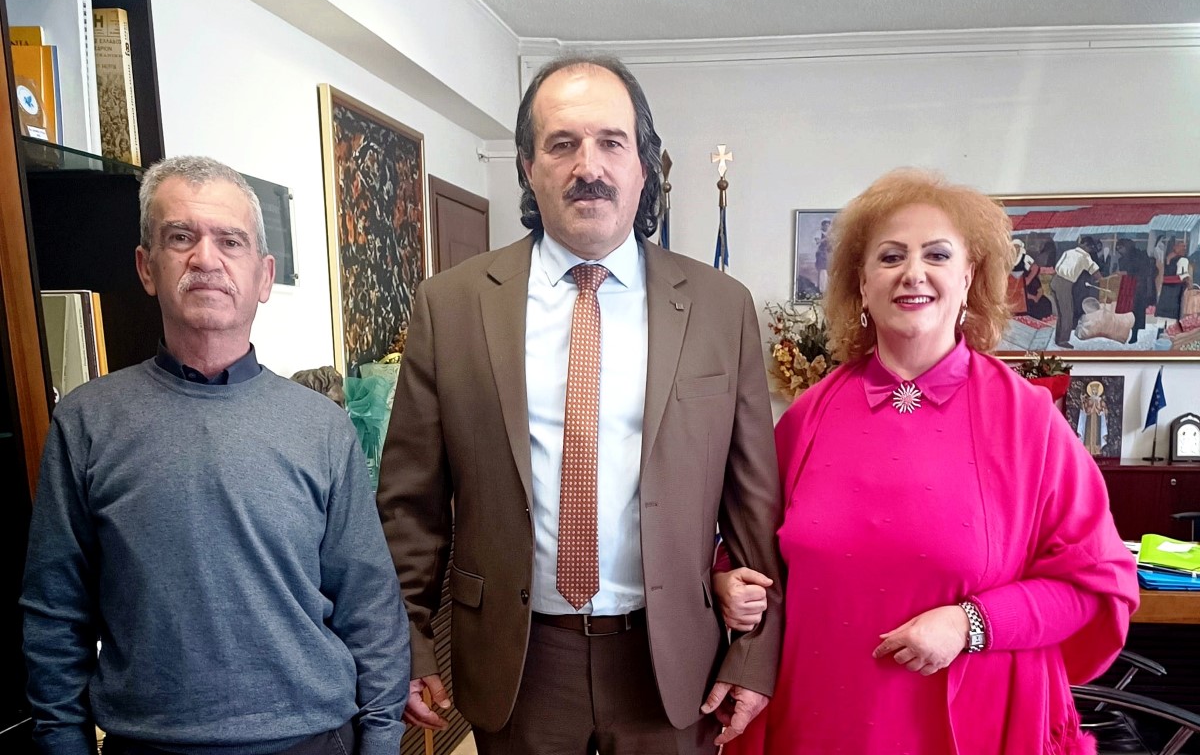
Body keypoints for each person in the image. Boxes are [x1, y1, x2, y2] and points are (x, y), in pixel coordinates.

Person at [376, 55, 784, 755]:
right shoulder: (451, 305)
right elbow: (410, 504)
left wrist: (753, 652)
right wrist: (407, 641)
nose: (587, 166)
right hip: (519, 660)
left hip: (670, 658)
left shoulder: (720, 308)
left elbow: (753, 502)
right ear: (528, 168)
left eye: (611, 142)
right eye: (561, 143)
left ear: (643, 166)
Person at [721, 169, 1138, 754]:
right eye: (890, 256)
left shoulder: (1029, 421)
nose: (913, 272)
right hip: (815, 720)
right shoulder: (807, 417)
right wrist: (727, 581)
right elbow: (749, 549)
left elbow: (1095, 588)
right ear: (861, 283)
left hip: (975, 725)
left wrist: (972, 623)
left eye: (937, 255)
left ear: (968, 278)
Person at [21, 156, 411, 755]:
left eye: (230, 241)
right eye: (181, 237)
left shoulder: (322, 427)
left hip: (310, 739)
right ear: (146, 267)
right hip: (147, 746)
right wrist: (62, 742)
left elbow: (369, 603)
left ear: (263, 276)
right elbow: (54, 613)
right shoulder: (87, 422)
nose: (206, 258)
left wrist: (382, 739)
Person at [1051, 236, 1102, 348]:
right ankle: (1063, 340)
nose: (1090, 250)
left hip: (1055, 280)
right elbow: (1095, 272)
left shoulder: (1068, 252)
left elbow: (1057, 266)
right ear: (1087, 246)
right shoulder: (1085, 256)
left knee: (1061, 313)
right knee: (1067, 313)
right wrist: (1102, 280)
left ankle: (1058, 338)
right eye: (1090, 247)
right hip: (1065, 283)